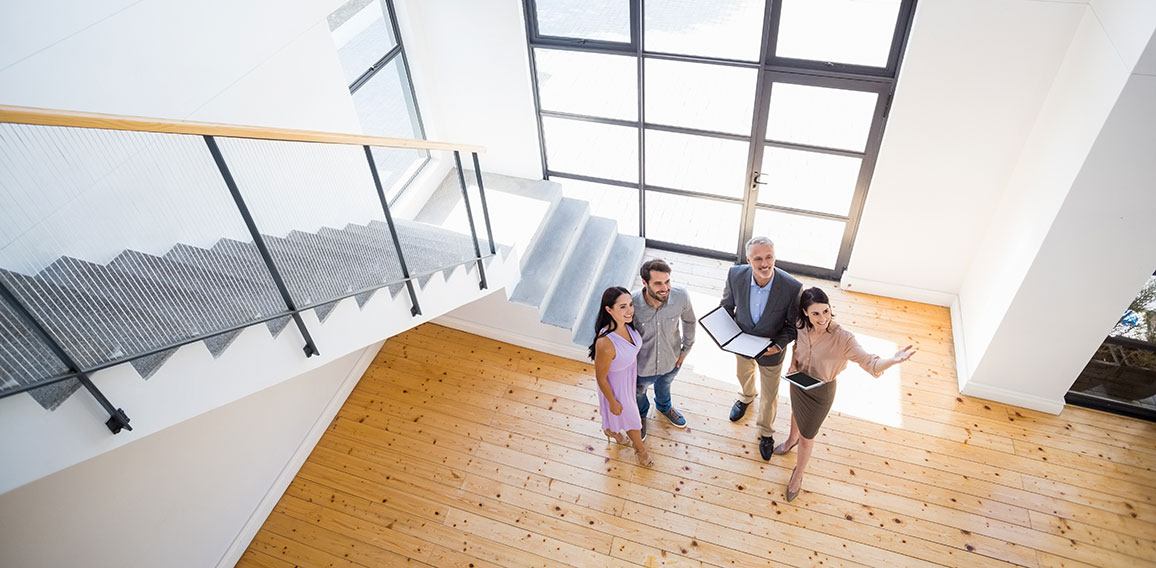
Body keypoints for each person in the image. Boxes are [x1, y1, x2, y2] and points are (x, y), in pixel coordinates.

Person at [775, 286, 916, 502]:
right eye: (816, 313)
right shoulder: (800, 326)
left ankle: (798, 475)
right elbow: (797, 347)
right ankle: (790, 440)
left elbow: (871, 363)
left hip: (821, 392)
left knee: (807, 437)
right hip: (798, 382)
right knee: (795, 412)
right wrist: (793, 364)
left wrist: (892, 360)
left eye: (826, 311)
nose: (823, 318)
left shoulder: (844, 339)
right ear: (805, 313)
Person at [720, 236, 802, 460]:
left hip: (771, 350)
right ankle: (746, 397)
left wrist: (778, 346)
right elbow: (726, 307)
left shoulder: (792, 287)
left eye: (769, 257)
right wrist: (726, 335)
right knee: (743, 374)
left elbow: (792, 327)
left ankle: (766, 431)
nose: (764, 264)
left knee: (770, 394)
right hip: (742, 343)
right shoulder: (735, 275)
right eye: (758, 259)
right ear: (749, 259)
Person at [589, 286, 653, 466]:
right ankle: (641, 450)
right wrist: (613, 401)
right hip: (615, 387)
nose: (630, 310)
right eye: (623, 306)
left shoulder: (627, 325)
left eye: (630, 305)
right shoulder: (605, 344)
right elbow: (601, 378)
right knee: (632, 419)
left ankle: (611, 430)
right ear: (609, 310)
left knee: (625, 415)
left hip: (628, 377)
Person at [633, 259, 696, 439]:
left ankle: (664, 407)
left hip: (672, 360)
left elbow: (690, 321)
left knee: (665, 385)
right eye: (658, 283)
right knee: (639, 393)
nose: (665, 288)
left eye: (667, 281)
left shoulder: (681, 296)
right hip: (642, 367)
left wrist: (685, 351)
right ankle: (641, 414)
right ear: (645, 283)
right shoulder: (631, 303)